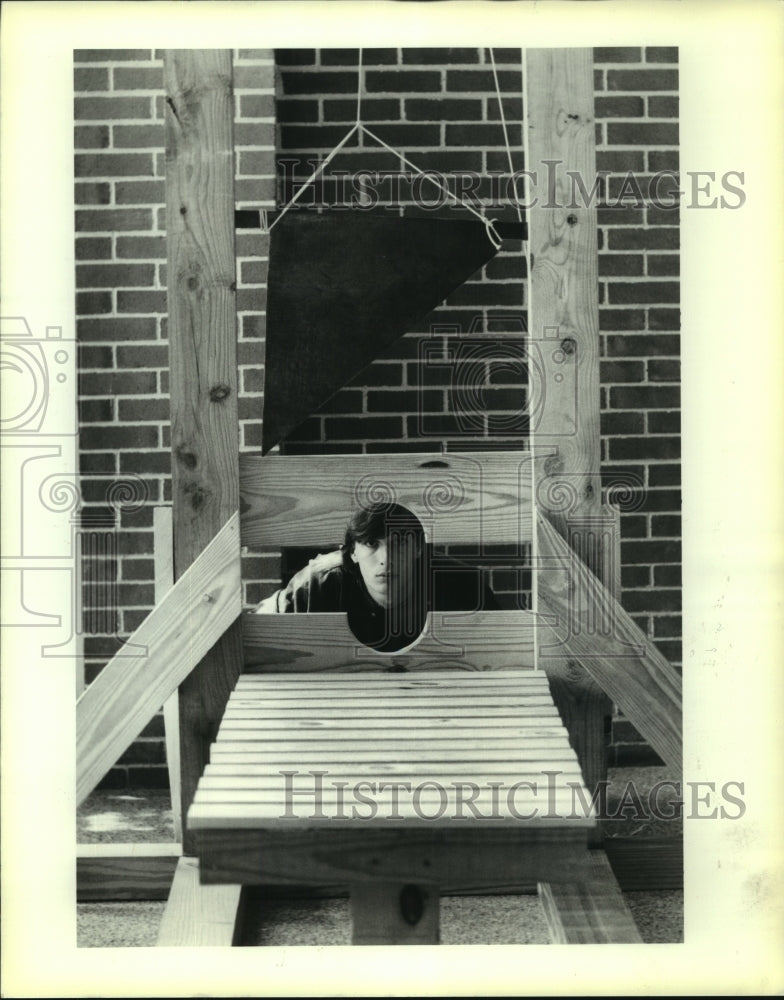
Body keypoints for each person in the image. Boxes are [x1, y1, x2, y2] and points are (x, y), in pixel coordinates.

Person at [255, 501, 498, 652]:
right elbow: (259, 630)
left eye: (399, 543)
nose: (386, 558)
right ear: (352, 552)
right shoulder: (319, 583)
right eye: (371, 543)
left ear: (418, 548)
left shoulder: (463, 586)